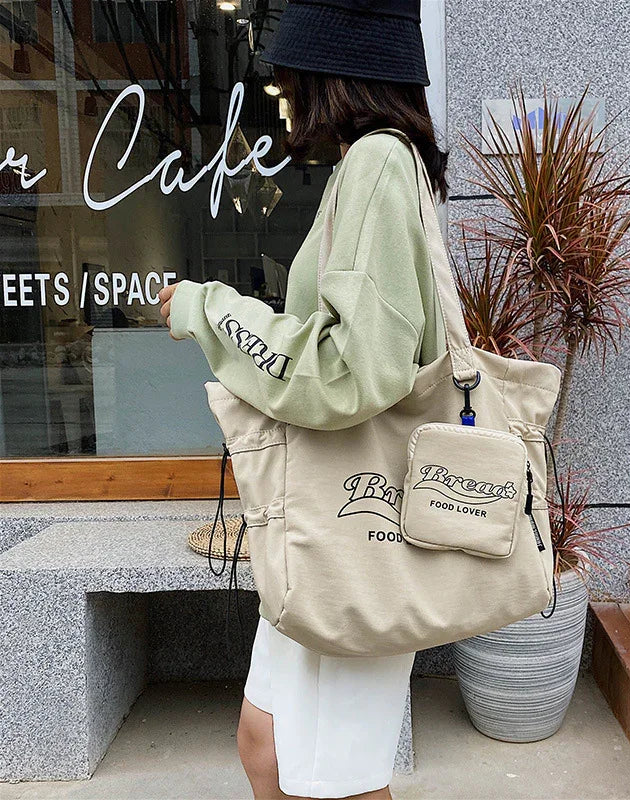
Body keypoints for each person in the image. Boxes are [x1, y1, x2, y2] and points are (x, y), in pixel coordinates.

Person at [157, 1, 448, 797]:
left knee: (334, 776)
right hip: (328, 525)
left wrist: (211, 309)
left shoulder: (379, 163)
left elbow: (355, 370)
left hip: (356, 527)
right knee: (268, 745)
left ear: (332, 68)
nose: (282, 88)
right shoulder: (373, 164)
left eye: (289, 71)